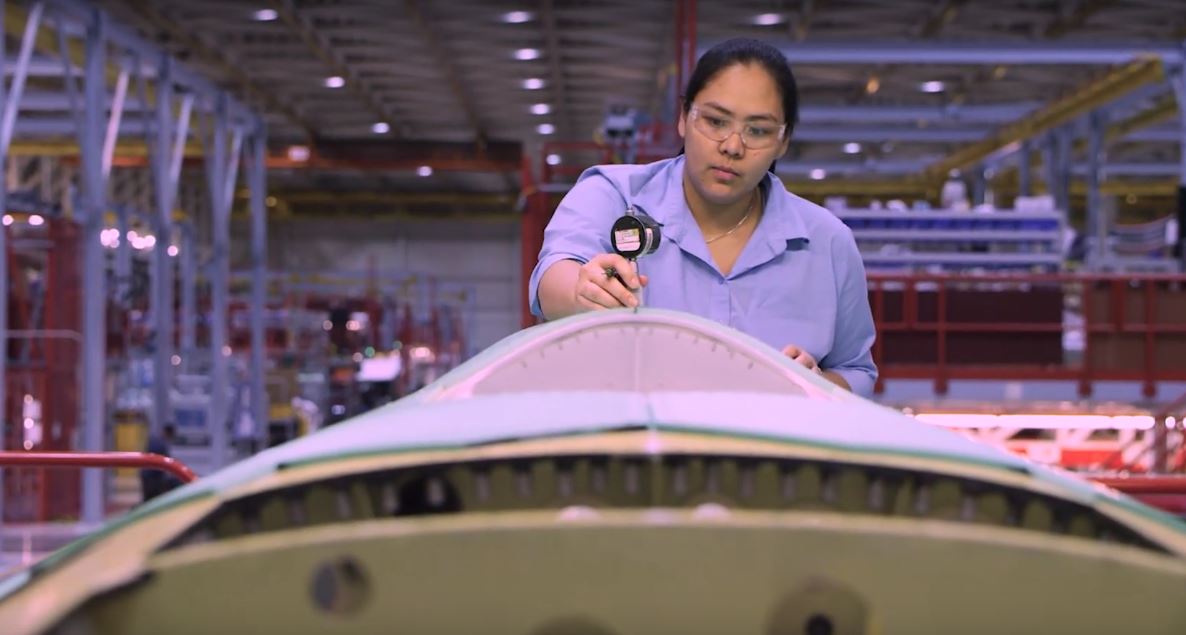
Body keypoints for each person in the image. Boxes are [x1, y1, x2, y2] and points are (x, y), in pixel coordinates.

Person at [528, 38, 878, 397]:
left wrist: (817, 385)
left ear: (783, 140)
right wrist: (580, 290)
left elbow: (856, 370)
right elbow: (551, 278)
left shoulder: (828, 242)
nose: (732, 146)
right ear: (683, 117)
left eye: (757, 130)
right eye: (715, 121)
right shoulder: (613, 196)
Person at [140, 423, 183, 503]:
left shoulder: (154, 440)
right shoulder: (161, 444)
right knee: (151, 500)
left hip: (147, 475)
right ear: (169, 433)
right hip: (152, 478)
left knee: (148, 500)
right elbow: (166, 461)